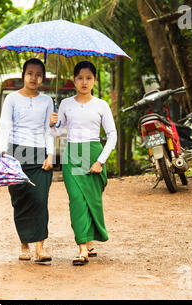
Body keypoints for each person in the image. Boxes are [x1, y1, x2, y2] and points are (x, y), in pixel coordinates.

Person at [50, 61, 117, 266]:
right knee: (77, 200)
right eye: (80, 78)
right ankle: (81, 248)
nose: (84, 82)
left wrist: (100, 161)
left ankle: (88, 241)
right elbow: (57, 133)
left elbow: (112, 135)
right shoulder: (65, 104)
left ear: (95, 80)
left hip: (94, 153)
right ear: (74, 80)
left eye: (89, 78)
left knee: (92, 201)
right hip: (72, 153)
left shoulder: (101, 105)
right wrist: (52, 123)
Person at [0, 58, 54, 263]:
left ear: (43, 78)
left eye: (38, 74)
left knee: (40, 200)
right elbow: (5, 126)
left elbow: (49, 130)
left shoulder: (47, 101)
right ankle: (24, 245)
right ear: (23, 75)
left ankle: (40, 248)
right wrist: (4, 155)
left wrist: (50, 154)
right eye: (30, 73)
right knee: (20, 200)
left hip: (40, 154)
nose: (34, 77)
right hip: (16, 153)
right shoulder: (11, 99)